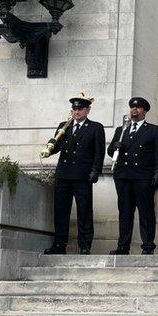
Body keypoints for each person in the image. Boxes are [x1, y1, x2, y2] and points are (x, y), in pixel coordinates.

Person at [44, 93, 106, 255]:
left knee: (84, 211)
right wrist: (50, 146)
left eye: (80, 109)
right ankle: (59, 244)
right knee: (61, 211)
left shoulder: (95, 127)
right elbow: (57, 148)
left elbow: (99, 152)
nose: (77, 112)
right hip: (63, 174)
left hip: (82, 175)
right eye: (74, 109)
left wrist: (95, 171)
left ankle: (85, 245)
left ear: (88, 110)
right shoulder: (64, 125)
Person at [107, 96, 158, 255]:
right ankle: (123, 246)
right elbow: (111, 151)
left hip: (143, 177)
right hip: (123, 176)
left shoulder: (153, 130)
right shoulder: (122, 129)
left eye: (138, 108)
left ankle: (147, 246)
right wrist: (114, 147)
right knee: (124, 212)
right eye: (132, 107)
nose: (134, 110)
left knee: (146, 212)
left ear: (144, 111)